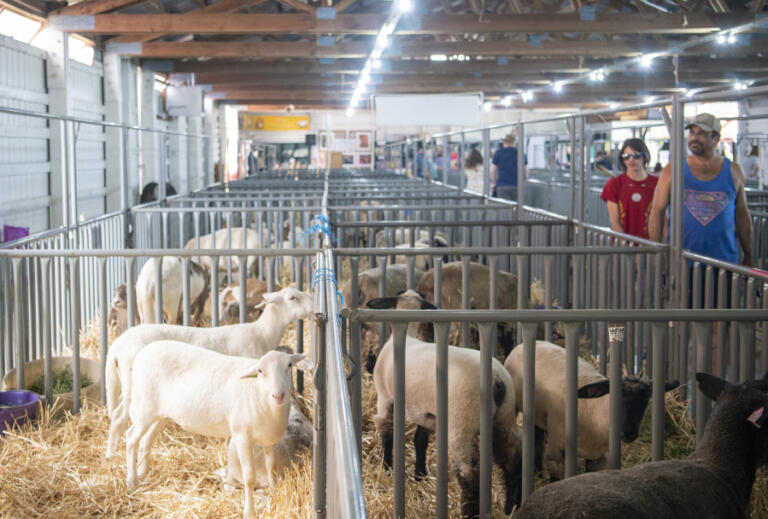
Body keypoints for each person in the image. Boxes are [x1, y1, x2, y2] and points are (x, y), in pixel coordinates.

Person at [649, 113, 753, 267]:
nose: (694, 138)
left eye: (702, 133)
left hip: (724, 262)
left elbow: (742, 215)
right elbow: (657, 211)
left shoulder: (733, 171)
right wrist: (656, 250)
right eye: (692, 132)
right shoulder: (673, 170)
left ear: (716, 139)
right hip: (682, 261)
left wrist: (749, 254)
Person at [599, 138, 658, 239]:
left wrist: (655, 248)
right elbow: (615, 222)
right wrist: (625, 248)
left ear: (645, 157)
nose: (631, 160)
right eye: (626, 156)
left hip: (651, 246)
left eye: (636, 156)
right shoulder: (614, 184)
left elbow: (662, 218)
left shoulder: (657, 184)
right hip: (623, 246)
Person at [490, 133, 527, 201]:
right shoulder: (521, 153)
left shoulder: (498, 153)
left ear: (504, 142)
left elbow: (492, 170)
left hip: (502, 185)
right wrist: (523, 181)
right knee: (518, 208)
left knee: (505, 208)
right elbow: (526, 170)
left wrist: (494, 182)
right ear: (514, 142)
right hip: (517, 185)